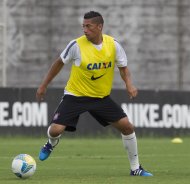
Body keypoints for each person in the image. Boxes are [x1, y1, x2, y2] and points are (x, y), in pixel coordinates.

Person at [36, 11, 152, 177]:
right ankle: (51, 143)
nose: (85, 29)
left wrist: (129, 85)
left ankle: (136, 169)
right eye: (83, 26)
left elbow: (123, 68)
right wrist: (43, 85)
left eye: (88, 26)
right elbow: (58, 63)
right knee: (55, 130)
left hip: (100, 98)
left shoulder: (113, 45)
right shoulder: (76, 45)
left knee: (127, 127)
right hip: (75, 96)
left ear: (99, 27)